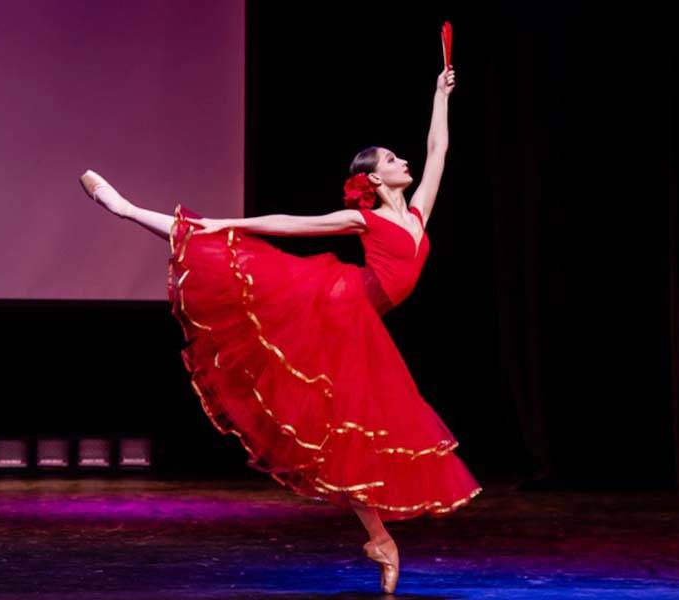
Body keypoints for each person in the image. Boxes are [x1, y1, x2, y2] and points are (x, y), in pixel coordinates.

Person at [79, 65, 479, 594]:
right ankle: (129, 210)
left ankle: (379, 539)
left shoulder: (419, 214)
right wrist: (231, 223)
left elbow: (438, 150)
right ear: (376, 180)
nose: (402, 160)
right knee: (228, 259)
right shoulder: (365, 220)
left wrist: (439, 94)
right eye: (390, 158)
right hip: (334, 306)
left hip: (357, 324)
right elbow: (292, 223)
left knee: (348, 434)